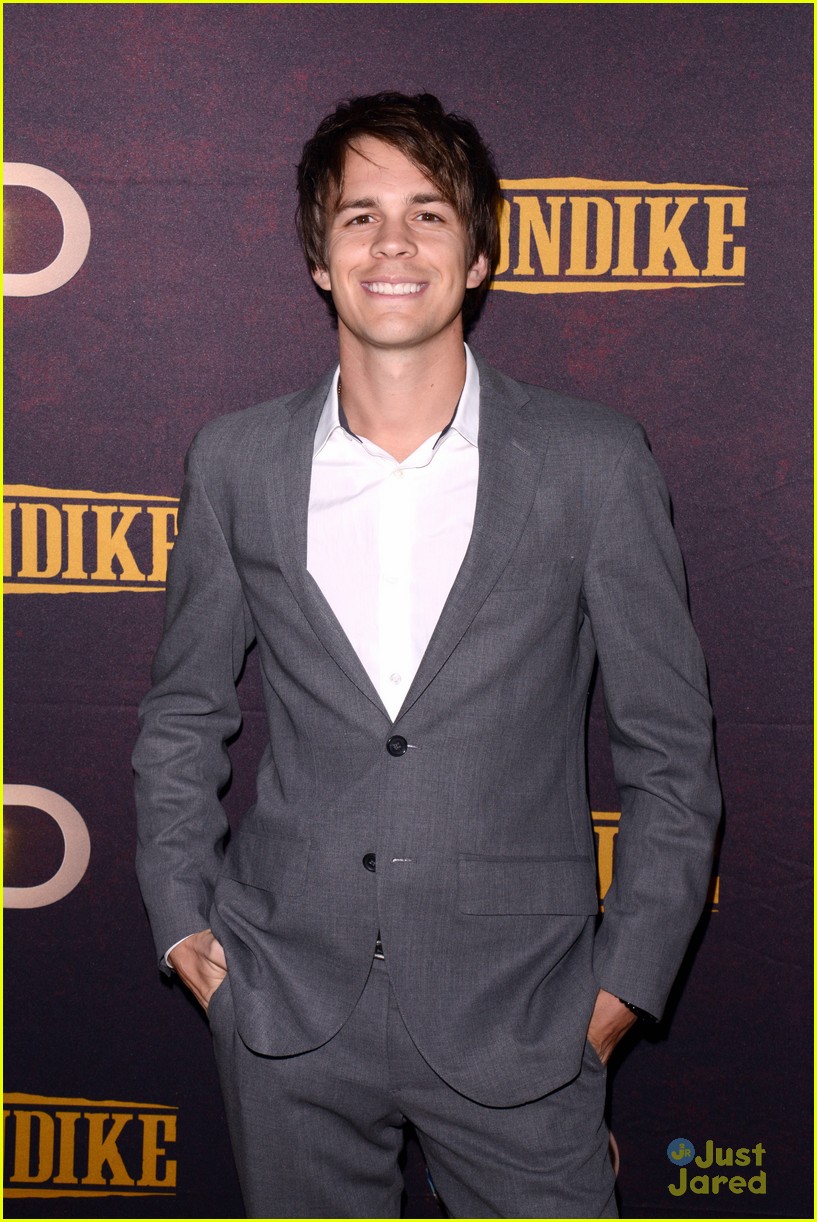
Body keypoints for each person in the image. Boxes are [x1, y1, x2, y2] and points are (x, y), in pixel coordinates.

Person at [134, 91, 721, 1219]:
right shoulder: (236, 462)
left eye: (429, 214)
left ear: (479, 254)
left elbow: (669, 751)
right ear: (320, 260)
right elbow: (183, 713)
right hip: (284, 1003)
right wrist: (183, 919)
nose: (393, 244)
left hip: (525, 1013)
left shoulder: (593, 463)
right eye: (359, 217)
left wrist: (623, 985)